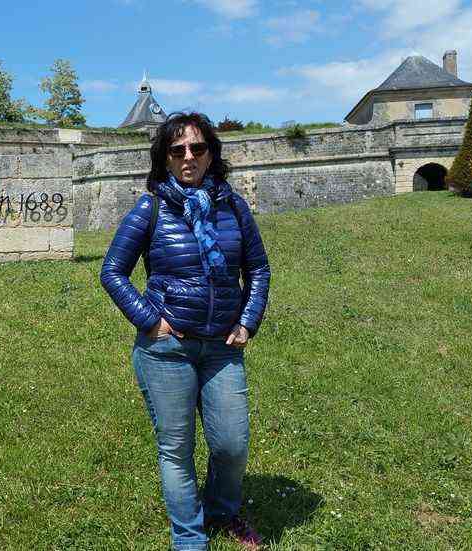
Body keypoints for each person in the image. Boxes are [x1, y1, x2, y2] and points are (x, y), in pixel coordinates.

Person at [100, 112, 271, 551]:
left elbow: (258, 268)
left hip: (222, 348)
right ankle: (189, 538)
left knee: (231, 444)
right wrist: (150, 320)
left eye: (197, 148)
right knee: (176, 448)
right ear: (165, 159)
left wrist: (248, 321)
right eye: (178, 150)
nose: (188, 157)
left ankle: (222, 513)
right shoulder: (151, 208)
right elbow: (113, 271)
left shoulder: (233, 207)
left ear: (211, 154)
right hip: (167, 349)